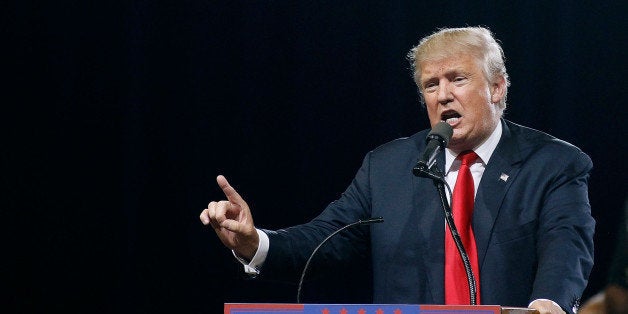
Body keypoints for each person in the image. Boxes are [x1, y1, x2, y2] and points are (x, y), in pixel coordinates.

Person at [200, 27, 595, 314]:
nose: (443, 95)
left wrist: (549, 304)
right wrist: (254, 243)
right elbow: (325, 240)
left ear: (497, 88)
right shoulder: (388, 166)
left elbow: (566, 246)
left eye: (458, 79)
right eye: (430, 85)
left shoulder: (553, 163)